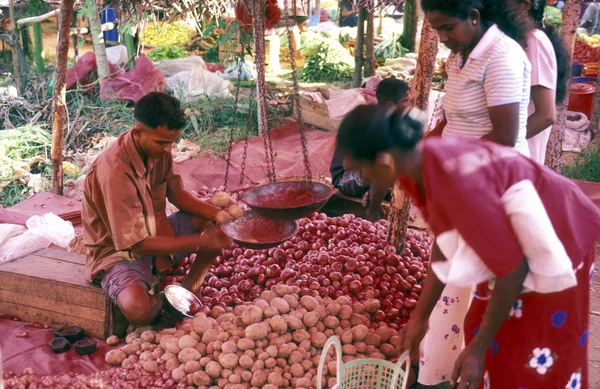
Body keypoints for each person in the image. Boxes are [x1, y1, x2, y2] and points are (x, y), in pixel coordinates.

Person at [337, 104, 600, 389]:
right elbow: (445, 239)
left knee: (533, 352)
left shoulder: (457, 183)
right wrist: (421, 316)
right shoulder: (417, 166)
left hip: (557, 240)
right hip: (513, 244)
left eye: (362, 169)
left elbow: (513, 269)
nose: (361, 177)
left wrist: (477, 348)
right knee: (483, 328)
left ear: (385, 163)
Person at [418, 0, 533, 384]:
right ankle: (444, 362)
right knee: (450, 267)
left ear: (474, 17)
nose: (443, 37)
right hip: (465, 182)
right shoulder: (462, 55)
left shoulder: (502, 55)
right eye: (436, 30)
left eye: (447, 28)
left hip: (494, 181)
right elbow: (454, 118)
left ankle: (478, 355)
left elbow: (502, 136)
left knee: (495, 283)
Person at [83, 92, 233, 326]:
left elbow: (178, 194)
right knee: (137, 310)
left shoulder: (156, 149)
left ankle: (190, 287)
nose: (168, 149)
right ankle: (164, 301)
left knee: (220, 227)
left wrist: (216, 214)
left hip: (156, 234)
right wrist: (199, 241)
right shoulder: (115, 173)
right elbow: (137, 244)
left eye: (172, 142)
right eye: (162, 142)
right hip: (119, 253)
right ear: (138, 132)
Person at [329, 78, 410, 222]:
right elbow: (348, 164)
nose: (410, 104)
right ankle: (373, 211)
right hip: (345, 177)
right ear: (391, 105)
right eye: (406, 100)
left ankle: (371, 193)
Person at [515, 0, 570, 165]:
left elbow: (546, 116)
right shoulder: (518, 40)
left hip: (520, 157)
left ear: (525, 6)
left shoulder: (533, 41)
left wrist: (500, 141)